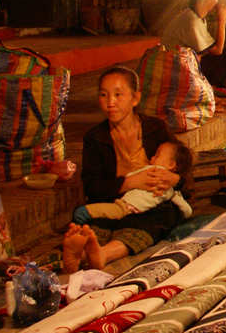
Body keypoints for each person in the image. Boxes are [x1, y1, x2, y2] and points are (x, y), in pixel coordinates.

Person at [63, 67, 183, 275]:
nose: (110, 103)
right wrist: (131, 182)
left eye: (118, 95)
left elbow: (182, 163)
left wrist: (174, 178)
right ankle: (77, 256)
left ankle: (104, 254)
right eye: (104, 95)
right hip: (115, 202)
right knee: (100, 221)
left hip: (150, 206)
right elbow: (92, 186)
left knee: (161, 215)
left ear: (135, 98)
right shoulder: (95, 138)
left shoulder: (156, 128)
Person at [82, 141, 193, 224]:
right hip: (140, 210)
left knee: (99, 212)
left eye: (157, 155)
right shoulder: (171, 191)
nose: (152, 157)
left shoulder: (152, 169)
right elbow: (184, 206)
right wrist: (188, 214)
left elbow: (127, 176)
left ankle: (83, 214)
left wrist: (176, 179)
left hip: (127, 206)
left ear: (171, 165)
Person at [161, 0, 226, 91]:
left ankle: (206, 87)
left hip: (183, 62)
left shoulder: (195, 17)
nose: (217, 2)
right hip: (175, 68)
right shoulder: (192, 22)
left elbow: (209, 47)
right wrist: (222, 20)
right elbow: (218, 50)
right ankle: (210, 90)